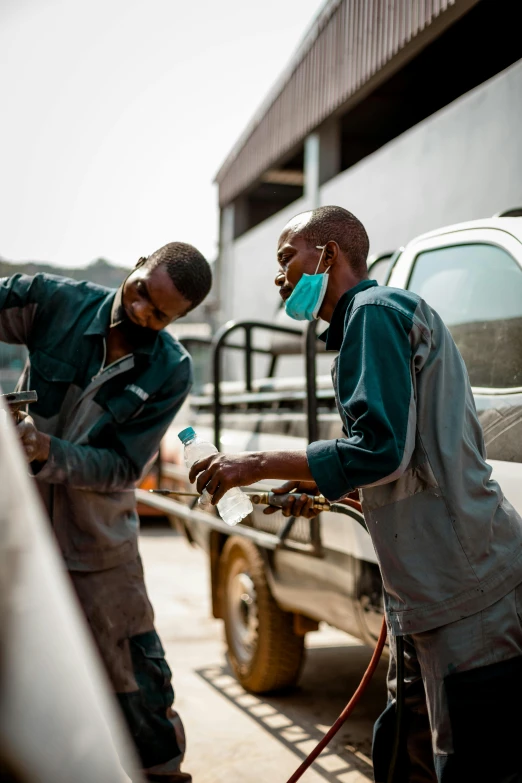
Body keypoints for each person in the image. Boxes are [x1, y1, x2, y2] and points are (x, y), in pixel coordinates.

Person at [189, 206, 522, 782]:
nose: (278, 276)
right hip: (427, 589)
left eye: (285, 257)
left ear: (327, 255)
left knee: (473, 761)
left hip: (462, 586)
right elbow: (406, 465)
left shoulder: (371, 312)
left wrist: (257, 463)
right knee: (406, 751)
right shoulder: (375, 319)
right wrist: (320, 485)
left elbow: (380, 450)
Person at [0, 242, 212, 783]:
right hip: (17, 528)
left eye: (160, 314)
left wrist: (46, 451)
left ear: (179, 319)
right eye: (141, 292)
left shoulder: (170, 370)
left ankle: (162, 775)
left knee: (135, 675)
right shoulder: (53, 301)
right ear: (138, 264)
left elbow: (121, 468)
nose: (142, 311)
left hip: (97, 544)